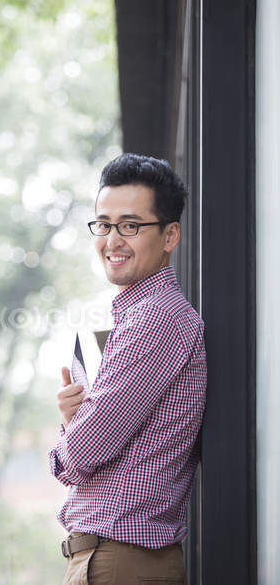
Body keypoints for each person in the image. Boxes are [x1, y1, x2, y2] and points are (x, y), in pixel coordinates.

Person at [49, 154, 207, 585]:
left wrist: (70, 437)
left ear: (170, 235)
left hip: (121, 562)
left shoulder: (155, 319)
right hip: (113, 558)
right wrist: (74, 420)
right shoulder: (138, 318)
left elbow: (82, 453)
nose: (112, 240)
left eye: (131, 225)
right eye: (103, 224)